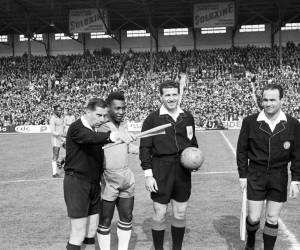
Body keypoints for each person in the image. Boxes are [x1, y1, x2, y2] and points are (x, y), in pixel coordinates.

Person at [63, 98, 135, 250]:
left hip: (93, 184)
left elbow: (98, 144)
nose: (102, 119)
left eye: (104, 116)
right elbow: (91, 138)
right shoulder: (77, 127)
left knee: (91, 232)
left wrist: (128, 144)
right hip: (77, 183)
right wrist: (114, 135)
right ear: (87, 112)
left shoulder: (94, 128)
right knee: (78, 233)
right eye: (98, 115)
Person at [237, 84, 300, 250]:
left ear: (281, 100)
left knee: (272, 218)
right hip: (255, 175)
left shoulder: (293, 124)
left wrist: (296, 180)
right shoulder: (250, 122)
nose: (268, 103)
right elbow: (242, 151)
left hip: (279, 176)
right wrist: (243, 176)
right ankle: (251, 241)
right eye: (265, 99)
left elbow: (297, 155)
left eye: (272, 99)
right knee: (253, 218)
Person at [139, 80, 198, 250]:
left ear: (179, 95)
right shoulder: (152, 119)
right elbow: (145, 148)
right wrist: (148, 175)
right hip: (161, 169)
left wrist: (195, 160)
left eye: (174, 94)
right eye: (167, 95)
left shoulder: (187, 117)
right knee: (160, 213)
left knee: (180, 212)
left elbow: (192, 141)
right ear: (161, 97)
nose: (171, 98)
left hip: (182, 170)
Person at [97, 92, 138, 250]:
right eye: (117, 108)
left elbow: (125, 146)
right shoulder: (102, 125)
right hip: (108, 179)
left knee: (127, 218)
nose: (121, 112)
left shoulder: (124, 124)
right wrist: (122, 136)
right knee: (105, 220)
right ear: (108, 108)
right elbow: (107, 138)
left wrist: (144, 150)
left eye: (123, 108)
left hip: (126, 177)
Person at [50, 105, 64, 177]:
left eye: (61, 110)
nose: (60, 111)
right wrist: (61, 135)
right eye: (58, 110)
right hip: (56, 139)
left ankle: (61, 162)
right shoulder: (53, 118)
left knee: (70, 151)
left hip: (62, 139)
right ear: (55, 111)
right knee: (55, 155)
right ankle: (54, 173)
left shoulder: (61, 117)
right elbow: (52, 131)